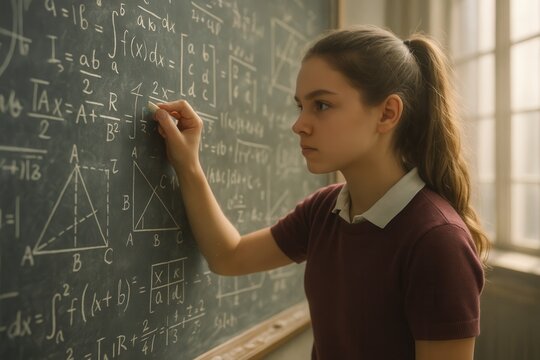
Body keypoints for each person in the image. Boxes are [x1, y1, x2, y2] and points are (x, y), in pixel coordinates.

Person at [152, 25, 490, 360]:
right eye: (300, 106)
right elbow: (229, 256)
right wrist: (188, 164)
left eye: (322, 106)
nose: (299, 124)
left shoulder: (437, 241)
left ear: (387, 113)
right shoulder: (325, 210)